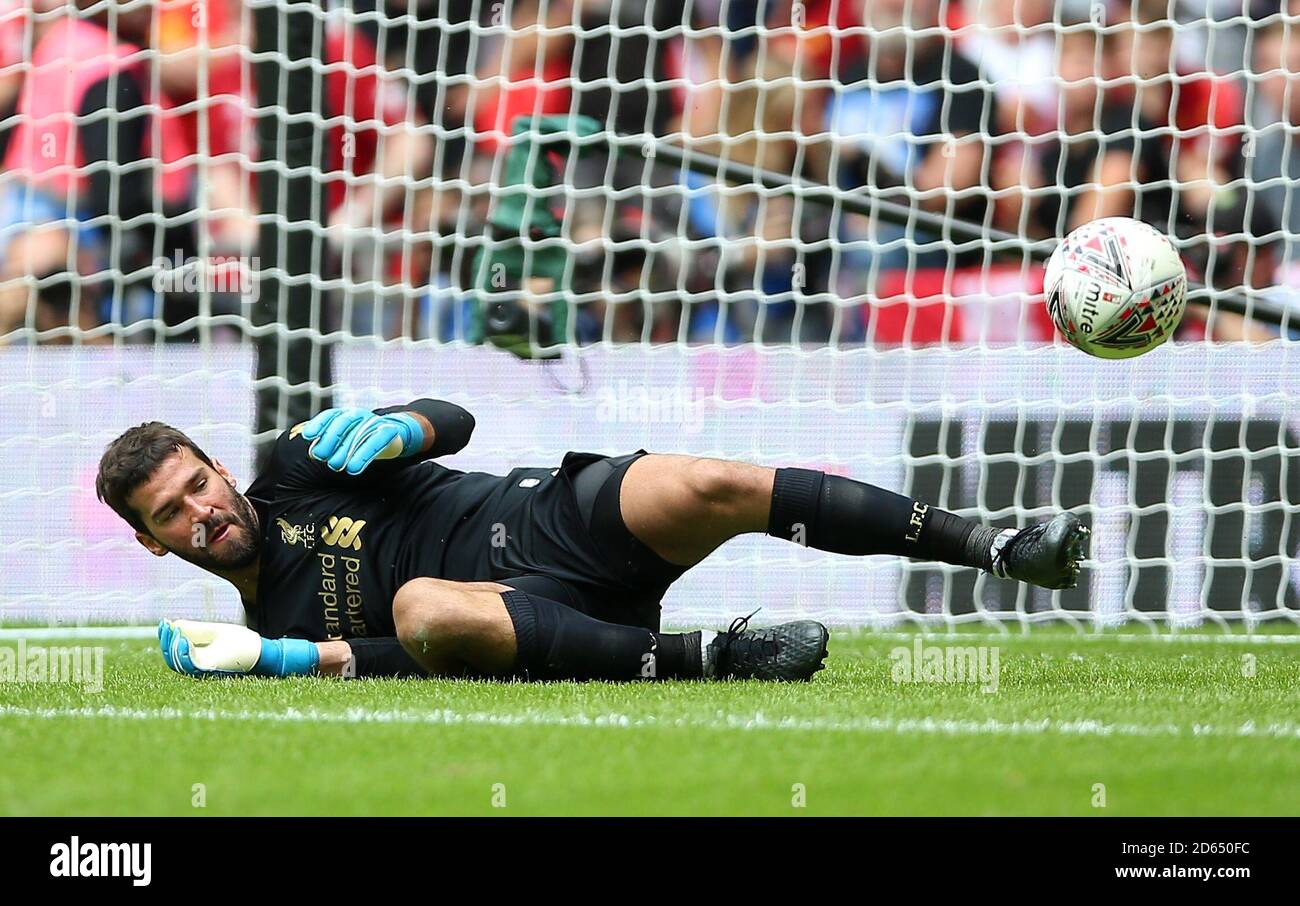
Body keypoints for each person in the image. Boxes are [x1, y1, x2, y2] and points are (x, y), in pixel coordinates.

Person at [95, 400, 1090, 683]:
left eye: (198, 484)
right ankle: (713, 658)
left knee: (708, 481)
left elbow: (457, 421)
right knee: (421, 609)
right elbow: (413, 653)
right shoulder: (270, 628)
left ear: (218, 465)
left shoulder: (296, 466)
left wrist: (406, 426)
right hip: (527, 615)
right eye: (172, 514)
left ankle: (1000, 547)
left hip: (549, 518)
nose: (202, 511)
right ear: (152, 544)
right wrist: (288, 659)